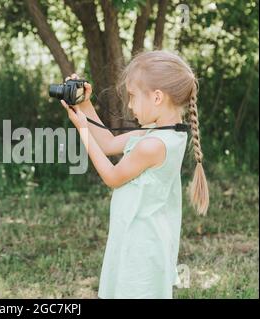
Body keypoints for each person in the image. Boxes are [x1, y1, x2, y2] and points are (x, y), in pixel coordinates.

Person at [60, 50, 209, 299]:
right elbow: (108, 143)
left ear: (157, 97)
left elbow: (112, 177)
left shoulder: (153, 144)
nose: (129, 105)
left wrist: (83, 131)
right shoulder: (162, 133)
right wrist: (85, 106)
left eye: (132, 97)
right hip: (135, 238)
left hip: (142, 248)